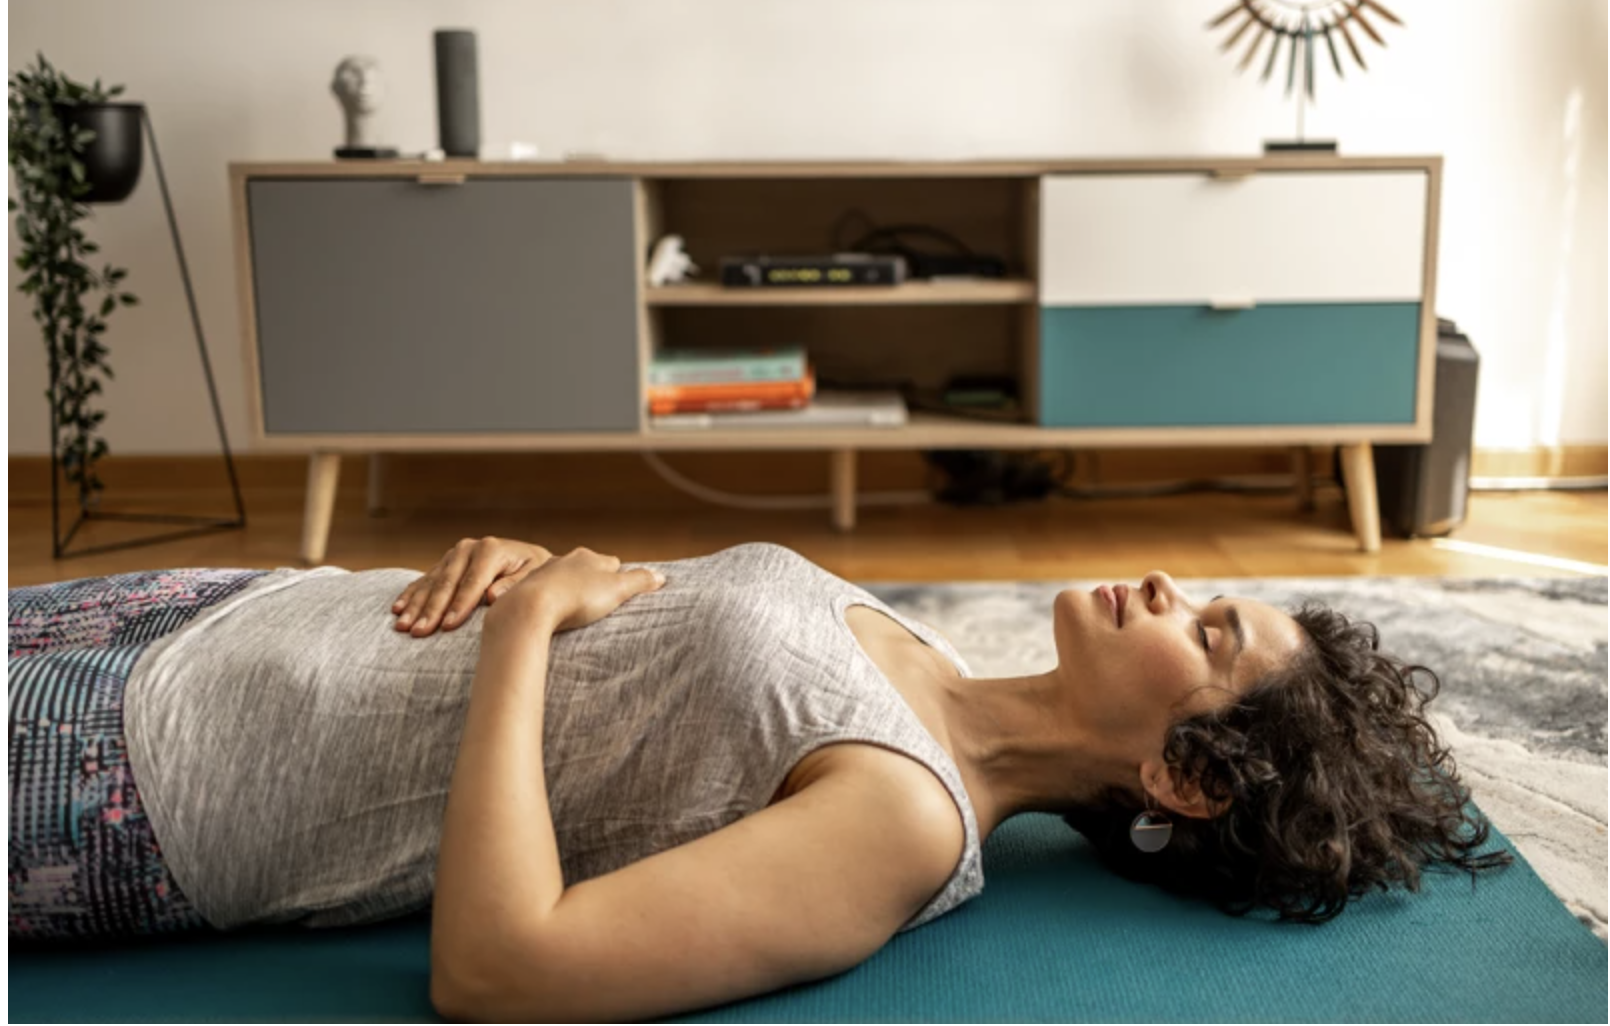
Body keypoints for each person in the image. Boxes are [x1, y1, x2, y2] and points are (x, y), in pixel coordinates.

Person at [8, 538, 1511, 1020]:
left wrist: (523, 631)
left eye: (1209, 633)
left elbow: (501, 970)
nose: (1171, 586)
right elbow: (632, 646)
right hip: (235, 612)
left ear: (1182, 778)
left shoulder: (903, 819)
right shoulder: (922, 648)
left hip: (143, 769)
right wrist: (523, 570)